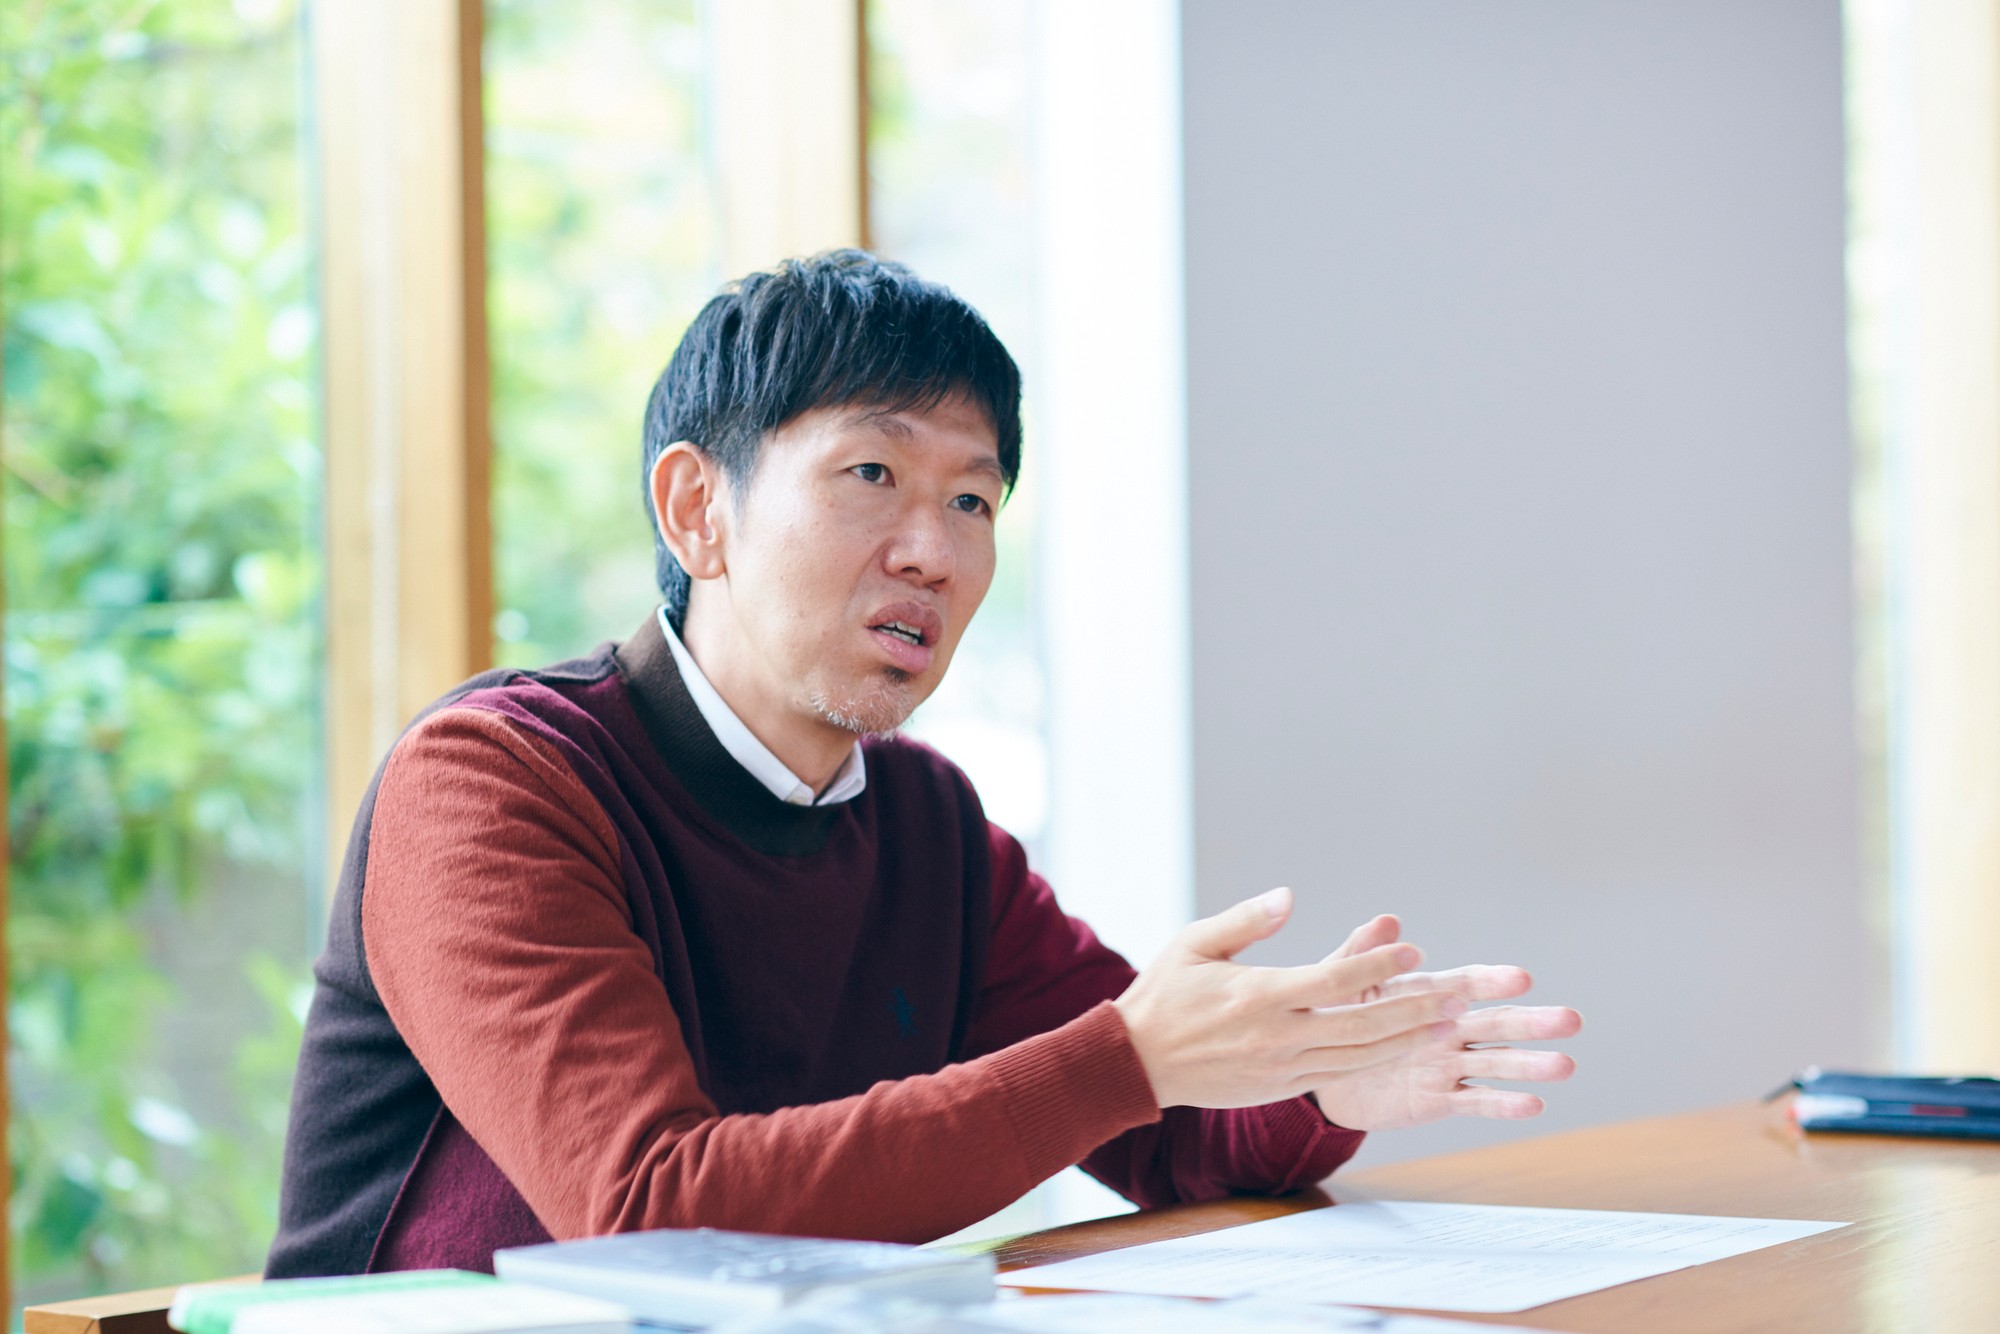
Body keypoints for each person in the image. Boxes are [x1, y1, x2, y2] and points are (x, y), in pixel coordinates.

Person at [266, 251, 1580, 1279]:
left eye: (971, 499)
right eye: (872, 472)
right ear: (696, 509)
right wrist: (1131, 1056)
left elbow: (1169, 1128)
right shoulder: (494, 782)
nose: (933, 553)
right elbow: (650, 1209)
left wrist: (1323, 1081)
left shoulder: (925, 823)